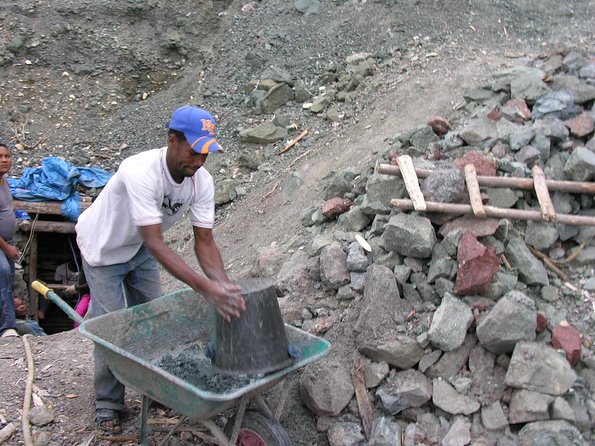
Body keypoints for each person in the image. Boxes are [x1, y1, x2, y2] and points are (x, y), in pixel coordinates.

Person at [75, 105, 246, 433]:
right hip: (103, 249)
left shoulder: (201, 182)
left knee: (156, 318)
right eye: (193, 152)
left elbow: (205, 242)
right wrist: (204, 287)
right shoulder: (140, 170)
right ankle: (108, 404)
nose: (198, 162)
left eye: (205, 155)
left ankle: (159, 388)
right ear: (172, 140)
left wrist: (224, 286)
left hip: (137, 250)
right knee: (112, 329)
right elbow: (156, 242)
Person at [0, 143, 19, 338]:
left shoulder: (4, 181)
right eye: (0, 157)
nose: (4, 160)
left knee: (9, 280)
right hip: (2, 244)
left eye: (7, 156)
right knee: (2, 273)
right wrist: (6, 248)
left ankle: (8, 324)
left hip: (7, 241)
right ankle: (6, 327)